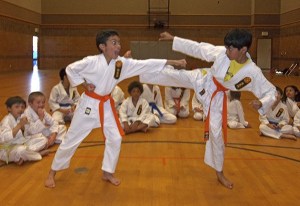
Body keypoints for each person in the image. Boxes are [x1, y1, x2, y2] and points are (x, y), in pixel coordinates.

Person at [44, 29, 186, 188]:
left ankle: (107, 171)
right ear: (102, 46)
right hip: (88, 106)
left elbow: (145, 64)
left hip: (106, 106)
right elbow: (70, 69)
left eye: (119, 42)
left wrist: (171, 62)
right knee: (71, 139)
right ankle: (52, 172)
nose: (118, 46)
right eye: (114, 43)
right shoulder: (91, 61)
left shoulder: (121, 63)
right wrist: (84, 84)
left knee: (115, 137)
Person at [140, 29, 277, 189]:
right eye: (226, 47)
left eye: (230, 49)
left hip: (217, 98)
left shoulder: (252, 72)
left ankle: (219, 173)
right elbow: (198, 48)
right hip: (204, 79)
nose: (226, 51)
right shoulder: (221, 53)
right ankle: (140, 69)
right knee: (175, 76)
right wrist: (174, 39)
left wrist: (262, 103)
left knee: (217, 134)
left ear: (243, 50)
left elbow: (271, 92)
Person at [0, 96, 48, 166]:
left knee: (43, 139)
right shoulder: (6, 121)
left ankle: (21, 158)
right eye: (17, 107)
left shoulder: (21, 118)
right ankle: (37, 154)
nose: (20, 109)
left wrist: (40, 118)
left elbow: (32, 131)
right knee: (21, 150)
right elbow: (3, 138)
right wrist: (19, 125)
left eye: (22, 107)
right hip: (7, 149)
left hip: (21, 144)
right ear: (9, 108)